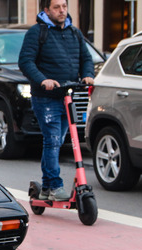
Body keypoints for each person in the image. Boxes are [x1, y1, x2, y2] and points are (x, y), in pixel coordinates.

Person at [18, 0, 94, 201]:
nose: (62, 11)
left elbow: (86, 58)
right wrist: (43, 80)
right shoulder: (37, 32)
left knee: (56, 142)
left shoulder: (74, 33)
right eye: (56, 7)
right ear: (46, 10)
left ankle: (46, 187)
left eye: (64, 6)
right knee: (52, 140)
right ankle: (54, 186)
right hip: (46, 98)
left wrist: (87, 75)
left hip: (68, 96)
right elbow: (25, 62)